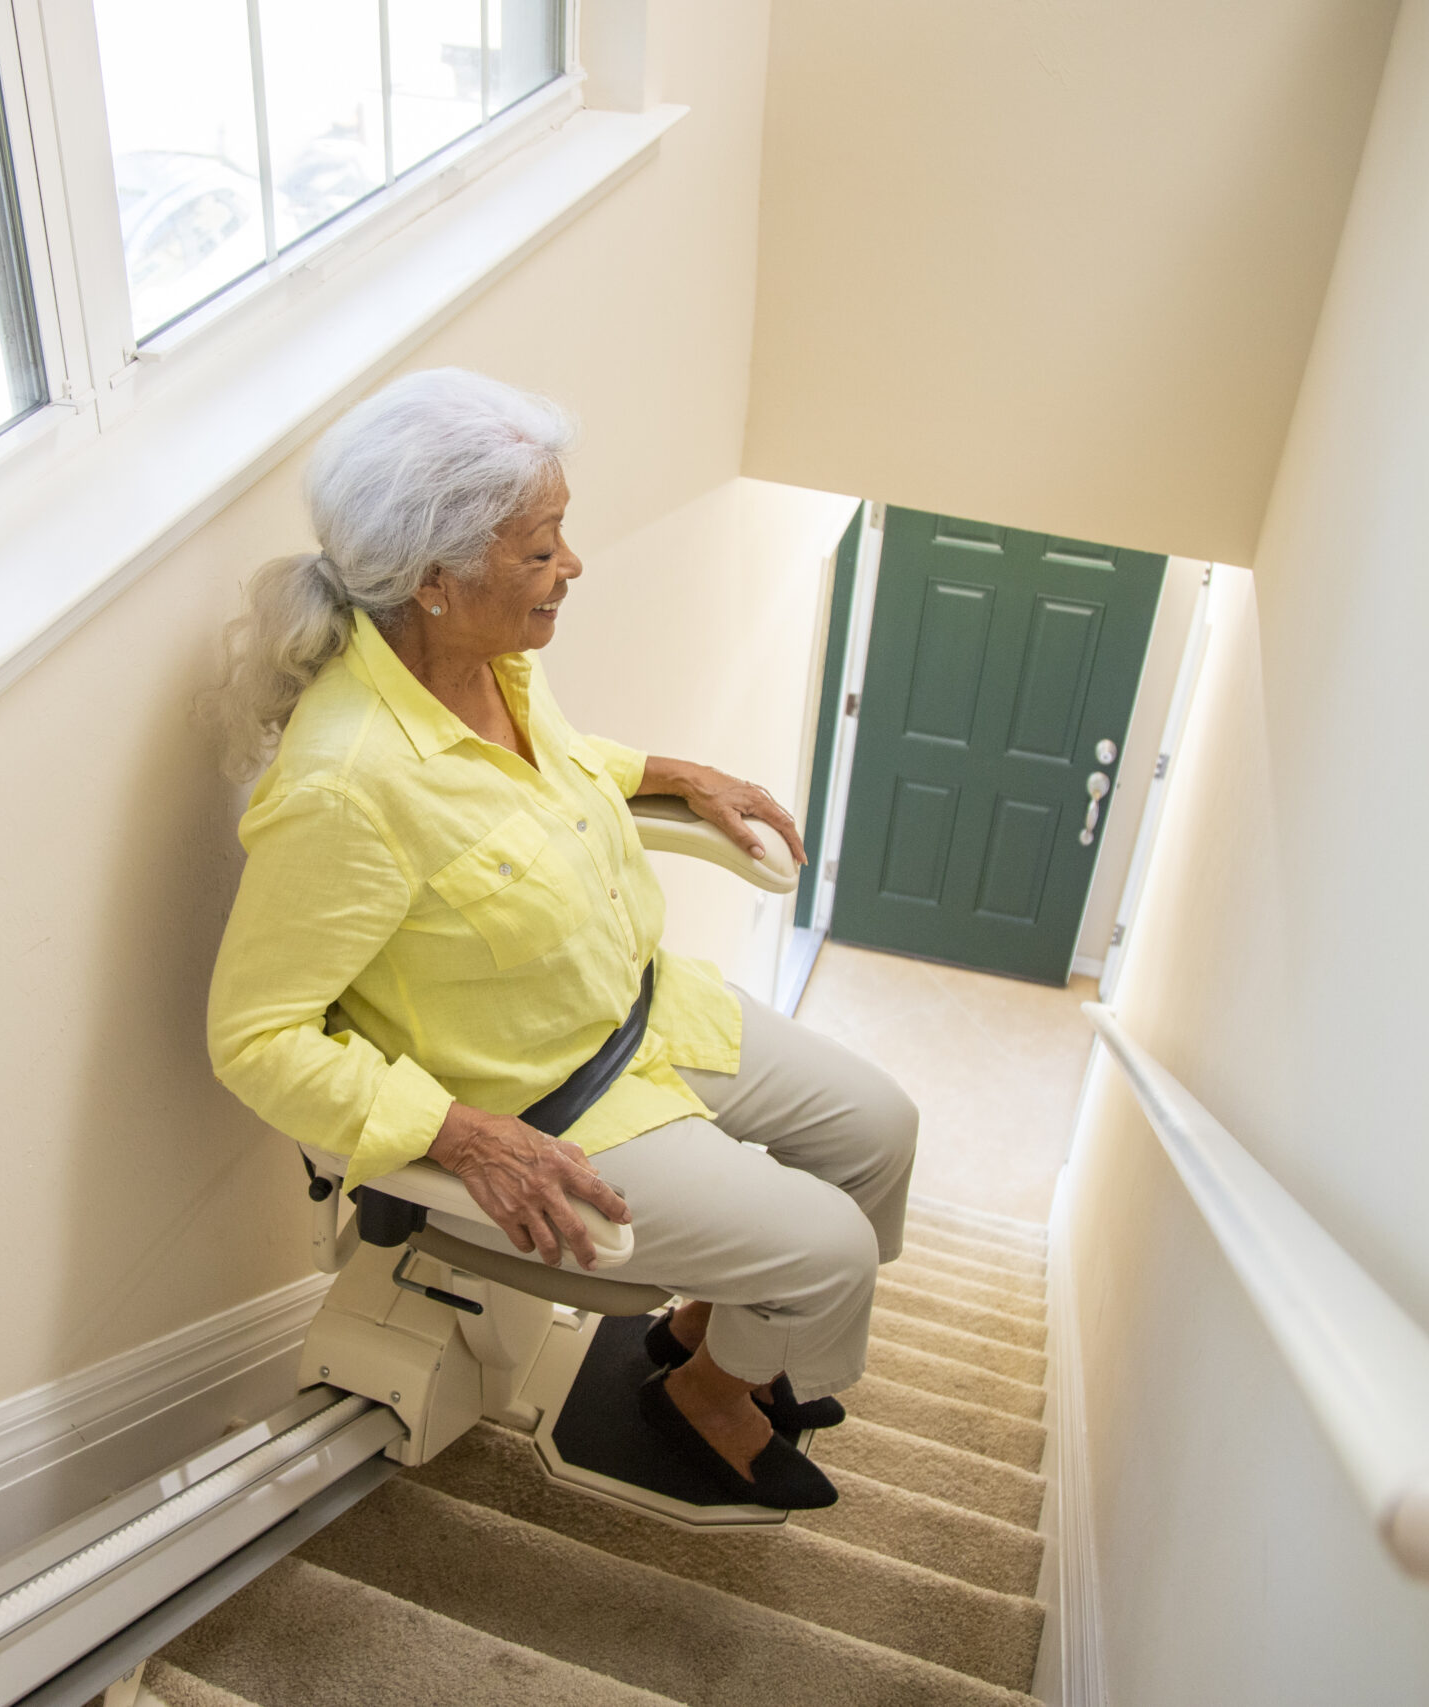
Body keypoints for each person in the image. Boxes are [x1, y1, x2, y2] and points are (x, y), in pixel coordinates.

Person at [203, 368, 918, 1509]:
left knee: (882, 1129)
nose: (569, 567)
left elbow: (552, 775)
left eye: (559, 536)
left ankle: (710, 1333)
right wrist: (462, 1135)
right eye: (541, 548)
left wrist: (675, 773)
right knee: (827, 1251)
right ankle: (712, 1394)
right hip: (544, 1101)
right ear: (436, 582)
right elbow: (255, 1038)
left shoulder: (489, 665)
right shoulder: (347, 784)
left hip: (644, 1010)